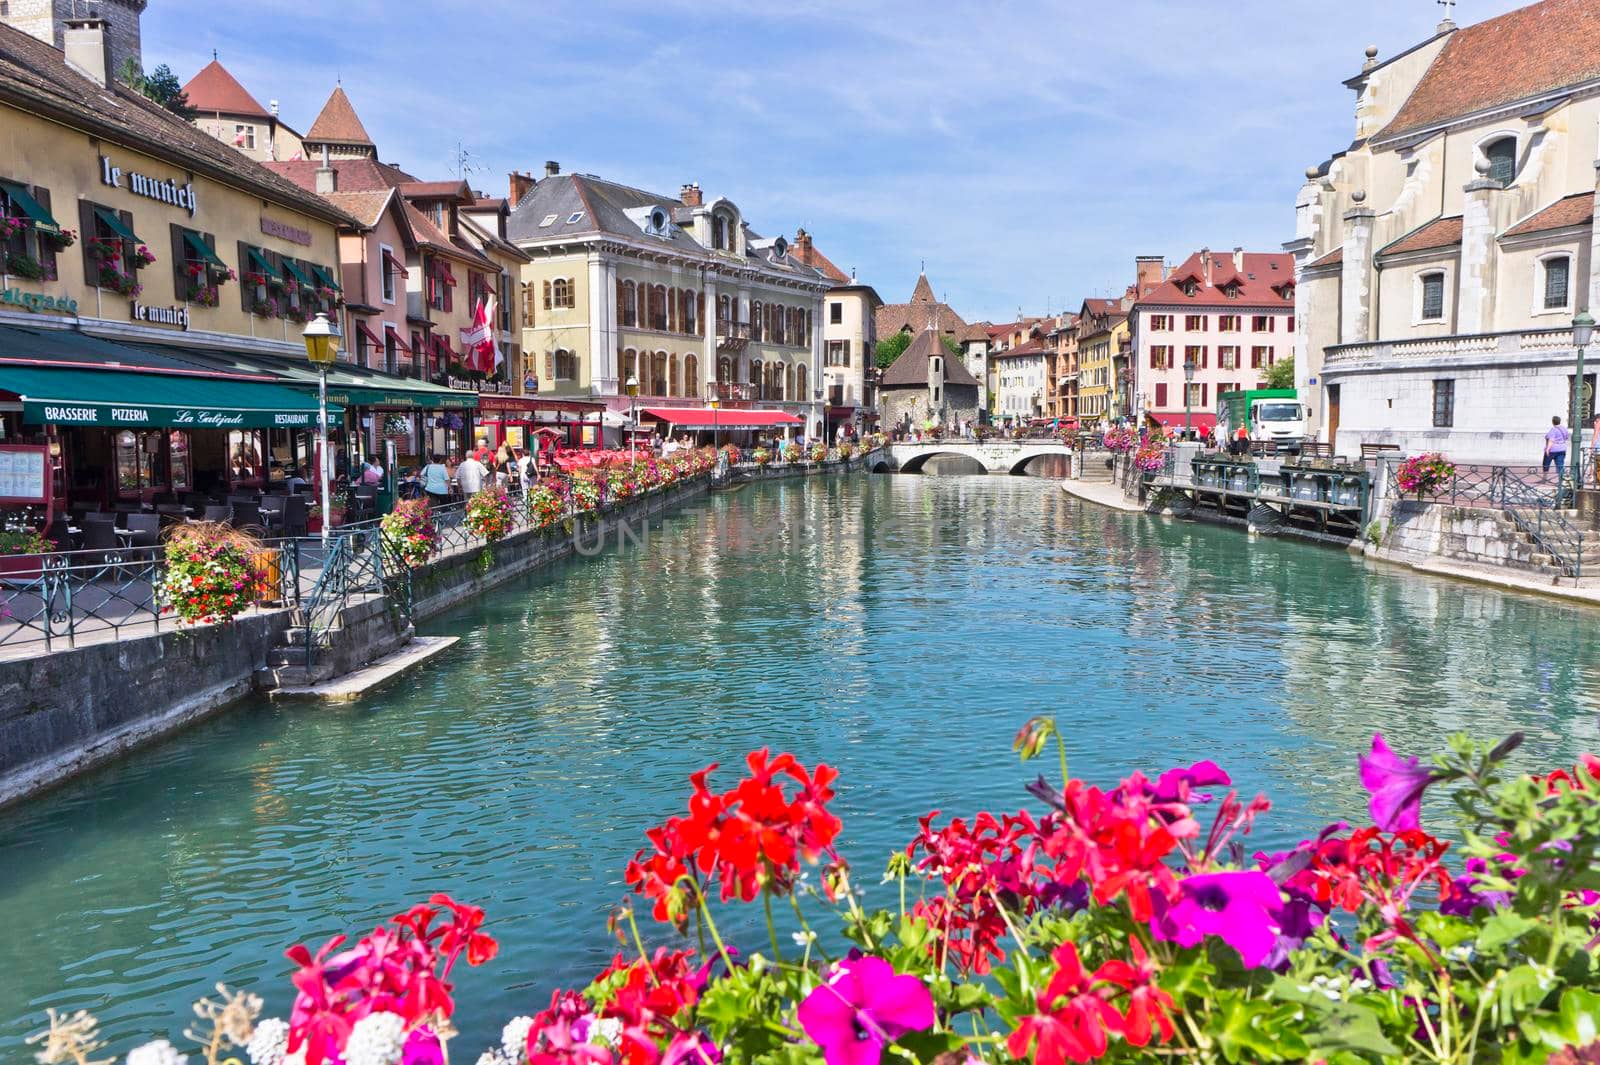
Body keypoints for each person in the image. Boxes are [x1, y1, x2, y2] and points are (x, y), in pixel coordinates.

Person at [1544, 415, 1570, 484]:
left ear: (1553, 422)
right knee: (1560, 464)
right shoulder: (1564, 429)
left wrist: (1547, 449)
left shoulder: (1553, 430)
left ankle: (1544, 478)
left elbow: (1551, 440)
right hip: (1562, 449)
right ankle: (1561, 480)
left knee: (1546, 463)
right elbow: (1567, 437)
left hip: (1552, 450)